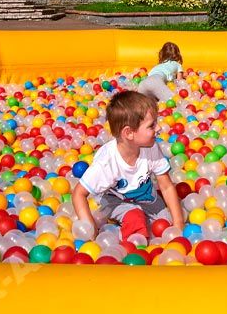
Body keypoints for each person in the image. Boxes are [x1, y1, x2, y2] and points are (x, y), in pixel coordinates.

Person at [72, 90, 185, 239]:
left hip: (147, 199)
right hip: (116, 200)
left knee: (166, 223)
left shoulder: (151, 148)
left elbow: (166, 186)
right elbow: (78, 193)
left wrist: (178, 224)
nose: (159, 128)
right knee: (135, 218)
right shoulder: (107, 163)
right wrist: (91, 230)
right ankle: (123, 241)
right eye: (151, 126)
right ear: (129, 133)